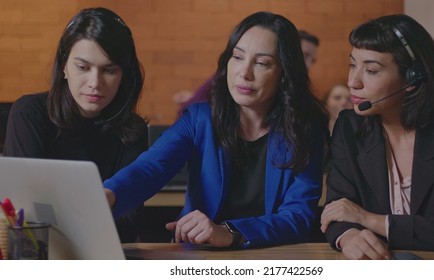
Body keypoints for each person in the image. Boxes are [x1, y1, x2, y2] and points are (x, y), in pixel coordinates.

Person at [104, 11, 328, 248]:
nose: (244, 73)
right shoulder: (199, 119)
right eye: (238, 57)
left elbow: (297, 216)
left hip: (271, 259)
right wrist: (110, 193)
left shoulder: (305, 129)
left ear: (285, 73)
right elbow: (151, 167)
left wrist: (230, 232)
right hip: (199, 257)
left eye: (261, 63)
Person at [320, 14, 434, 259]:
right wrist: (348, 236)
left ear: (412, 78)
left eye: (370, 70)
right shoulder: (349, 127)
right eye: (352, 65)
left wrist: (369, 219)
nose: (352, 82)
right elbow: (338, 210)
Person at [3, 7, 148, 243]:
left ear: (124, 75)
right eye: (83, 67)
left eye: (109, 70)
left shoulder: (133, 129)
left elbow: (128, 224)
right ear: (63, 66)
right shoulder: (30, 113)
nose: (94, 83)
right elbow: (24, 214)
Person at [174, 29, 320, 117]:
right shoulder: (227, 76)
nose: (245, 73)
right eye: (304, 55)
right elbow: (189, 109)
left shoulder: (304, 98)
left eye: (312, 59)